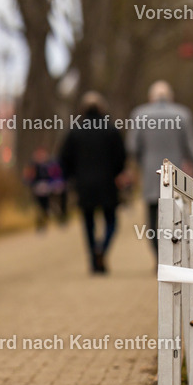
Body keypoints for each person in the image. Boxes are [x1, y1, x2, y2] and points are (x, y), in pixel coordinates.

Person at [125, 80, 193, 257]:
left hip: (151, 174)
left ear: (151, 97)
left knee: (153, 217)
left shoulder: (140, 114)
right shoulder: (182, 114)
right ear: (170, 97)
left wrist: (140, 164)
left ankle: (158, 255)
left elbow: (132, 146)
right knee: (175, 216)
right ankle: (173, 256)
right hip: (175, 175)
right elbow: (191, 146)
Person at [59, 92, 126, 274]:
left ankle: (93, 259)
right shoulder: (112, 129)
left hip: (84, 185)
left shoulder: (74, 131)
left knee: (88, 223)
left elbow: (63, 158)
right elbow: (121, 157)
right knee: (111, 220)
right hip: (107, 184)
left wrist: (73, 177)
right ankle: (102, 249)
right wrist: (116, 173)